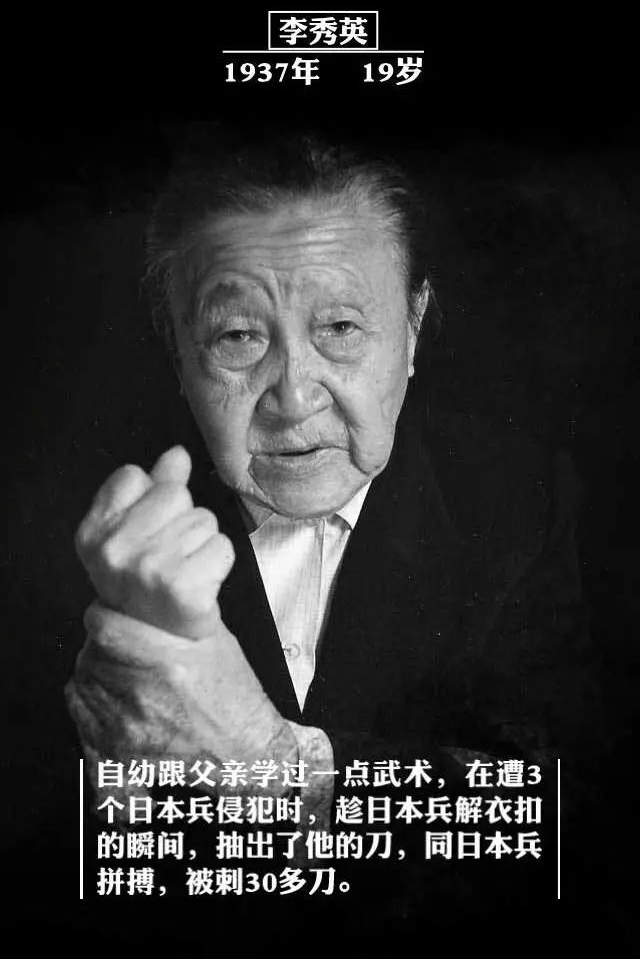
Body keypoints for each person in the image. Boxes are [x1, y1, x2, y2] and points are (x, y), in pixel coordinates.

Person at [65, 127, 601, 933]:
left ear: (413, 328)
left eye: (341, 329)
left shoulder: (521, 505)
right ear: (178, 353)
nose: (294, 395)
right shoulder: (83, 533)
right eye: (239, 336)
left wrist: (272, 767)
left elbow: (561, 826)